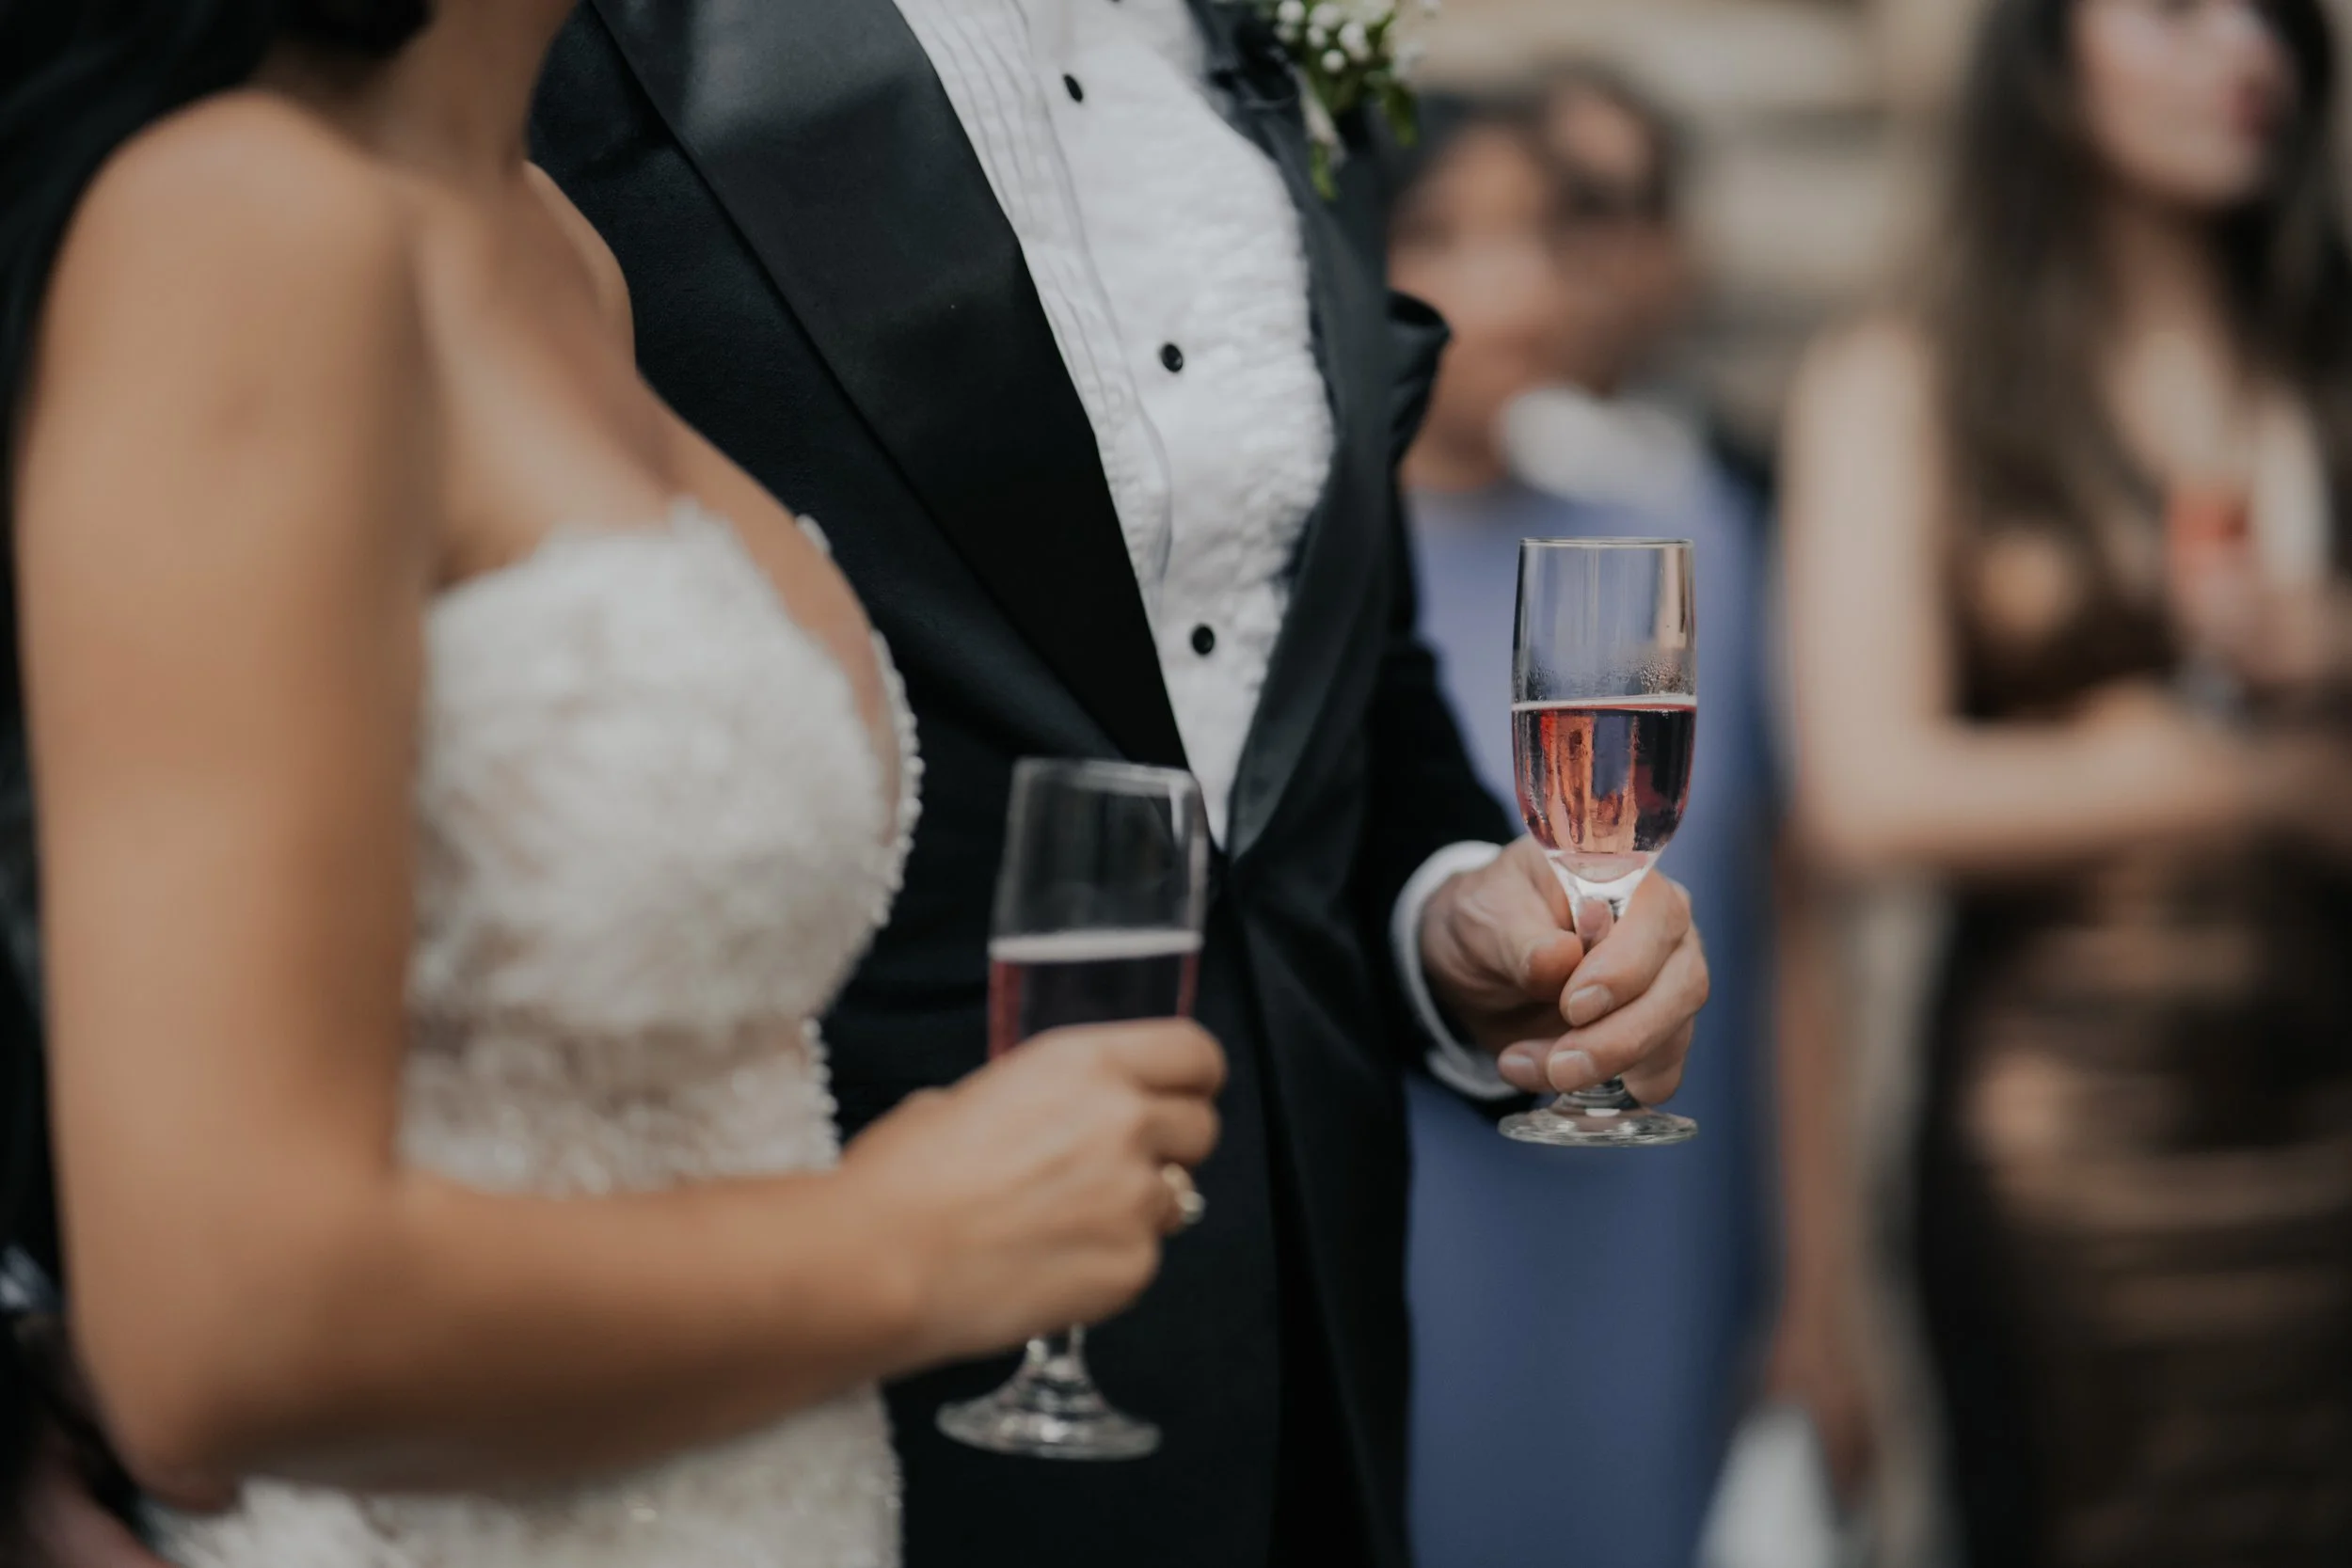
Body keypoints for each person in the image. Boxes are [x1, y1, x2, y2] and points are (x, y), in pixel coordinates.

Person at [0, 4, 1712, 1568]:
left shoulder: (550, 255)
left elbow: (1306, 695)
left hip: (1010, 1460)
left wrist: (1448, 924)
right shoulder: (277, 214)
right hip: (628, 1438)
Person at [531, 3, 1713, 1566]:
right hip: (819, 1365)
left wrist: (1450, 922)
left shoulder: (1281, 51)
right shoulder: (568, 52)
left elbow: (1337, 671)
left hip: (1311, 1348)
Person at [1782, 2, 2352, 1563]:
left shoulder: (2326, 352)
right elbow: (1868, 794)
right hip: (2068, 1152)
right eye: (2174, 13)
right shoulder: (1911, 375)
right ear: (2041, 55)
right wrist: (2251, 790)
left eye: (2275, 20)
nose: (2247, 56)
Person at [1389, 92, 1778, 1568]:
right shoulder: (1315, 589)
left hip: (1659, 1210)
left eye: (1545, 234)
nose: (1513, 286)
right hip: (1427, 1203)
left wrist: (1810, 1286)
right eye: (1443, 235)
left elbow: (1773, 910)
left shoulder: (1686, 545)